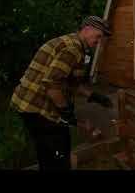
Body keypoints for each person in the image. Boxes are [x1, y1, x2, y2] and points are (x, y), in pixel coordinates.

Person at [10, 16, 113, 170]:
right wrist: (66, 112)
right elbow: (52, 84)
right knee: (59, 152)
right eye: (98, 36)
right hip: (37, 107)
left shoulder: (71, 43)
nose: (99, 41)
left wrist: (93, 96)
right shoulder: (73, 49)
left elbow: (71, 82)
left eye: (102, 38)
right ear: (86, 29)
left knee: (47, 150)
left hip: (26, 104)